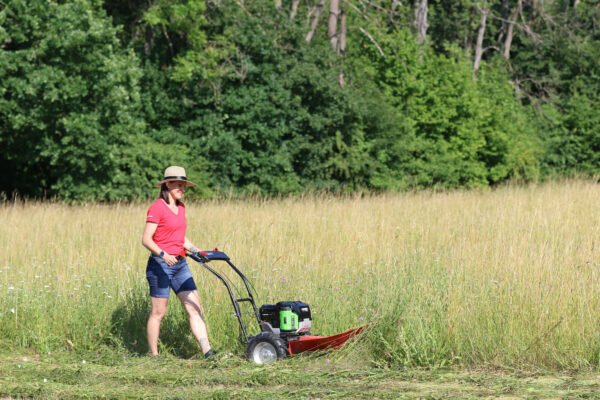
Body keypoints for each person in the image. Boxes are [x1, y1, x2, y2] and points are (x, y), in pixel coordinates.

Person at [142, 166, 217, 359]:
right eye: (178, 185)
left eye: (184, 186)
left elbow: (180, 238)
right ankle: (154, 356)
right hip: (160, 267)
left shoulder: (181, 207)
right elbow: (146, 239)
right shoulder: (157, 208)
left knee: (194, 307)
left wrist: (197, 251)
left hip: (181, 265)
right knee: (159, 312)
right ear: (167, 184)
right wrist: (163, 254)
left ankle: (208, 352)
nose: (182, 189)